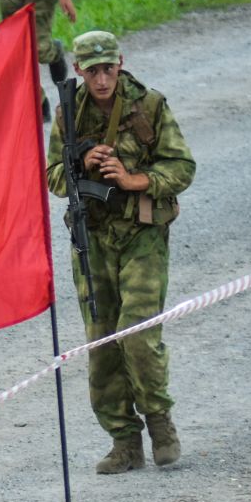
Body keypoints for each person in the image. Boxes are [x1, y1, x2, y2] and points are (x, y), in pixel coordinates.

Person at [46, 31, 196, 474]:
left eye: (108, 68)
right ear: (78, 70)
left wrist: (134, 180)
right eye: (92, 70)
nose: (102, 79)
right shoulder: (69, 113)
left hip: (141, 233)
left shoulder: (149, 106)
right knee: (103, 342)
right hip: (93, 239)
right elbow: (52, 177)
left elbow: (182, 166)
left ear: (120, 63)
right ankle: (123, 439)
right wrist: (82, 165)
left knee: (137, 331)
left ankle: (159, 421)